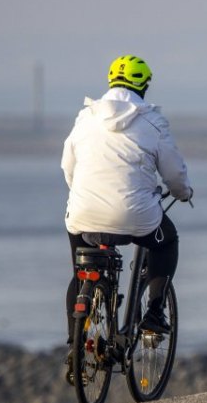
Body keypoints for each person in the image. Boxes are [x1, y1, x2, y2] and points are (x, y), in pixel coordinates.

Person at [61, 55, 193, 341]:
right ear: (144, 85)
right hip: (136, 217)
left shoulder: (86, 116)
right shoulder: (152, 120)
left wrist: (82, 193)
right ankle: (155, 312)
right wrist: (184, 193)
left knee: (80, 269)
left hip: (84, 213)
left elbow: (68, 167)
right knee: (166, 241)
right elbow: (174, 173)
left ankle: (75, 343)